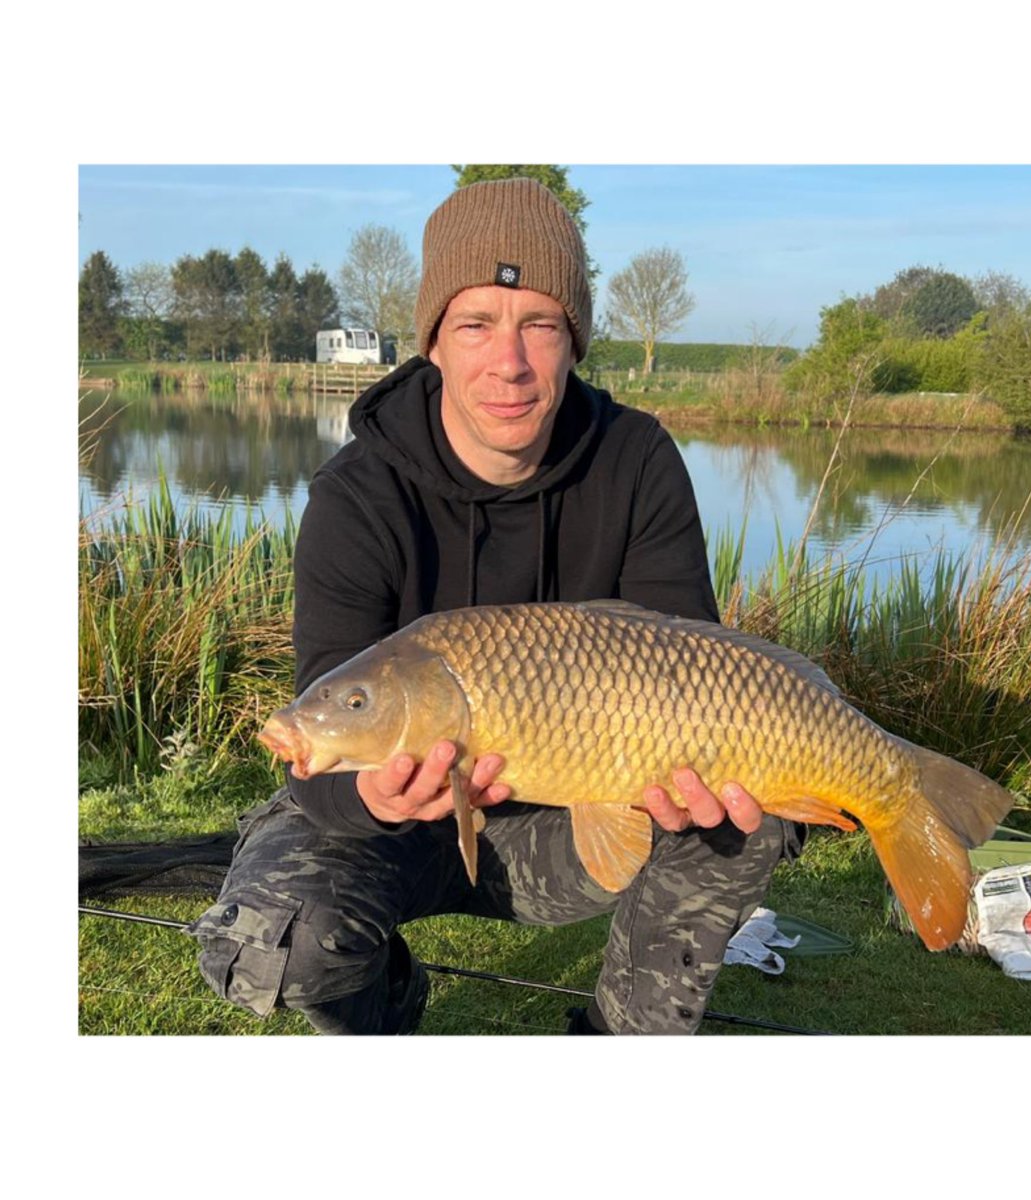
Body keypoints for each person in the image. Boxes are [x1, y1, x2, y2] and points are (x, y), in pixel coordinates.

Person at [187, 178, 804, 1035]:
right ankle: (385, 1001)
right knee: (266, 947)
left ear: (574, 341)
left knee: (747, 819)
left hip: (577, 829)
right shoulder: (356, 494)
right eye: (475, 324)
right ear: (434, 341)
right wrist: (378, 797)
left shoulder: (637, 461)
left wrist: (694, 776)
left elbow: (691, 666)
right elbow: (320, 756)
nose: (508, 363)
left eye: (539, 325)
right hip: (395, 834)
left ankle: (620, 1042)